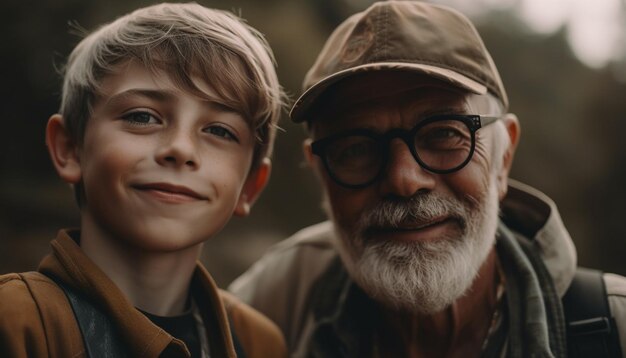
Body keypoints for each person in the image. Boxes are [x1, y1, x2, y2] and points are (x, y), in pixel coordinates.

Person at [230, 1, 626, 357]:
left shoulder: (615, 328)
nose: (404, 180)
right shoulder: (284, 298)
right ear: (320, 172)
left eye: (444, 133)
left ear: (503, 158)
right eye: (356, 148)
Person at [0, 3, 287, 357]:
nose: (180, 149)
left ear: (250, 186)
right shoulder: (16, 321)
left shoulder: (259, 343)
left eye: (219, 130)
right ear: (70, 148)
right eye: (141, 117)